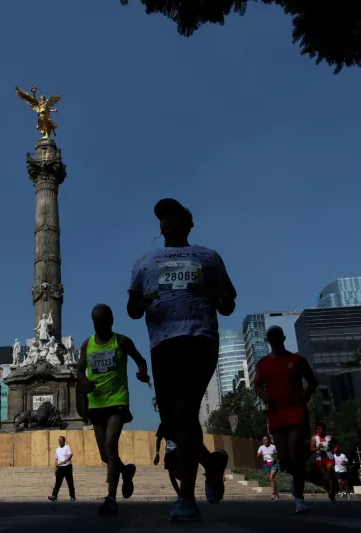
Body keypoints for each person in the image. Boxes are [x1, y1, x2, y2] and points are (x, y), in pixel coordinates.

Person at [127, 198, 236, 522]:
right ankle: (211, 464)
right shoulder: (144, 262)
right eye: (162, 217)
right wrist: (144, 301)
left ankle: (187, 497)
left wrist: (223, 296)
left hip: (199, 339)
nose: (167, 222)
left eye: (173, 216)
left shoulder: (209, 257)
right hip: (162, 344)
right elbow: (132, 310)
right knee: (175, 421)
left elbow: (227, 304)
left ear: (188, 224)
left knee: (186, 411)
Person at [74, 304, 150, 515]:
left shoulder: (122, 341)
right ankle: (126, 471)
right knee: (105, 455)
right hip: (96, 404)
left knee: (110, 443)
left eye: (104, 321)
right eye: (97, 322)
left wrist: (142, 374)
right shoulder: (86, 345)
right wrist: (85, 382)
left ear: (111, 321)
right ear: (93, 323)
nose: (100, 325)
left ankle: (111, 498)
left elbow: (141, 361)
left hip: (117, 401)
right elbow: (78, 371)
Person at [253, 325, 317, 514]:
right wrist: (264, 396)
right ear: (268, 341)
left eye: (278, 337)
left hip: (296, 412)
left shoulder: (297, 360)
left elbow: (312, 381)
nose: (275, 340)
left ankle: (299, 496)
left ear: (283, 338)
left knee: (295, 449)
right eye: (271, 338)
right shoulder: (263, 363)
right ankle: (295, 481)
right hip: (276, 414)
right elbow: (256, 386)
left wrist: (307, 394)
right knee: (285, 458)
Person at [310, 422, 336, 502]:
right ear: (316, 430)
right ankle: (327, 488)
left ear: (324, 429)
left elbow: (335, 444)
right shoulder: (314, 438)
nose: (320, 430)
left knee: (330, 470)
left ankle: (331, 491)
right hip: (320, 458)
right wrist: (318, 448)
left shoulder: (329, 437)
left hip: (329, 457)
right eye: (318, 429)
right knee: (326, 476)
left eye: (321, 429)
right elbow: (311, 449)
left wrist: (333, 448)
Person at [155, 423, 180, 496]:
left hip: (179, 452)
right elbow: (158, 439)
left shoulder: (177, 421)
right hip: (170, 453)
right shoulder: (163, 424)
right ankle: (180, 494)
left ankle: (182, 494)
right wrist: (157, 453)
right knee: (172, 475)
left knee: (176, 474)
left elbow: (158, 439)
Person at [48, 436, 75, 502]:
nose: (59, 441)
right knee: (57, 482)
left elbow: (70, 455)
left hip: (67, 466)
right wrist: (55, 468)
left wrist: (64, 461)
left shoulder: (67, 447)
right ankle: (54, 496)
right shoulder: (57, 449)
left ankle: (72, 496)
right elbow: (56, 459)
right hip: (60, 467)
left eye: (61, 440)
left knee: (70, 482)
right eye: (59, 440)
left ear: (64, 441)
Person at [256, 435, 279, 500]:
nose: (265, 441)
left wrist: (274, 454)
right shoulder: (261, 447)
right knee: (271, 479)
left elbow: (277, 455)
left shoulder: (273, 447)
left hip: (273, 464)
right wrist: (260, 454)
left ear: (268, 440)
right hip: (266, 464)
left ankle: (272, 494)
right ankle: (276, 493)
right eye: (264, 440)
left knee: (272, 477)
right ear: (263, 441)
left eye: (266, 440)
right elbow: (257, 456)